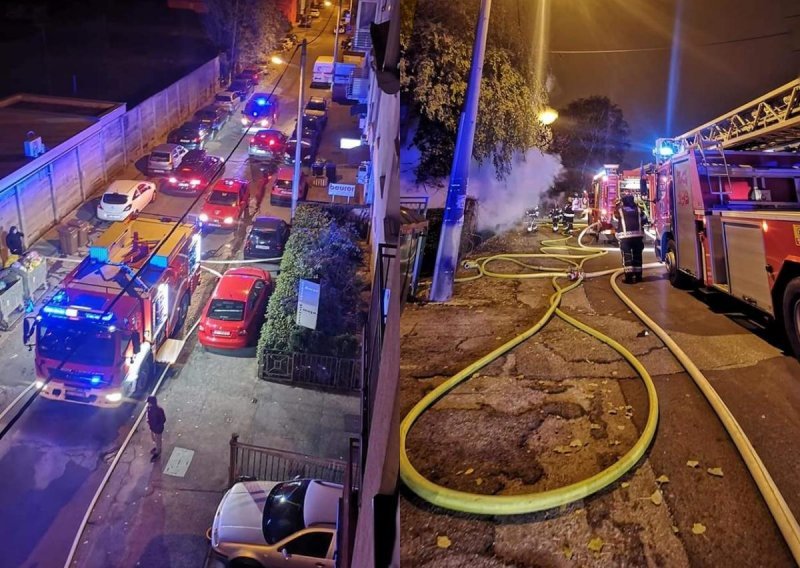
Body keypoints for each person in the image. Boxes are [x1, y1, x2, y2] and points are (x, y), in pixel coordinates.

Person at [614, 194, 646, 283]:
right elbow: (645, 219)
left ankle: (629, 278)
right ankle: (638, 276)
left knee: (627, 256)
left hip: (625, 238)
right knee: (637, 255)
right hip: (638, 237)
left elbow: (615, 221)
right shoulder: (639, 210)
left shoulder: (620, 210)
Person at [146, 396, 167, 461]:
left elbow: (163, 419)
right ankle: (157, 448)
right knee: (154, 439)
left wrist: (157, 426)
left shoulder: (159, 410)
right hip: (153, 427)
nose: (148, 404)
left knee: (158, 440)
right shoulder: (149, 408)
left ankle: (158, 451)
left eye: (149, 402)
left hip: (158, 429)